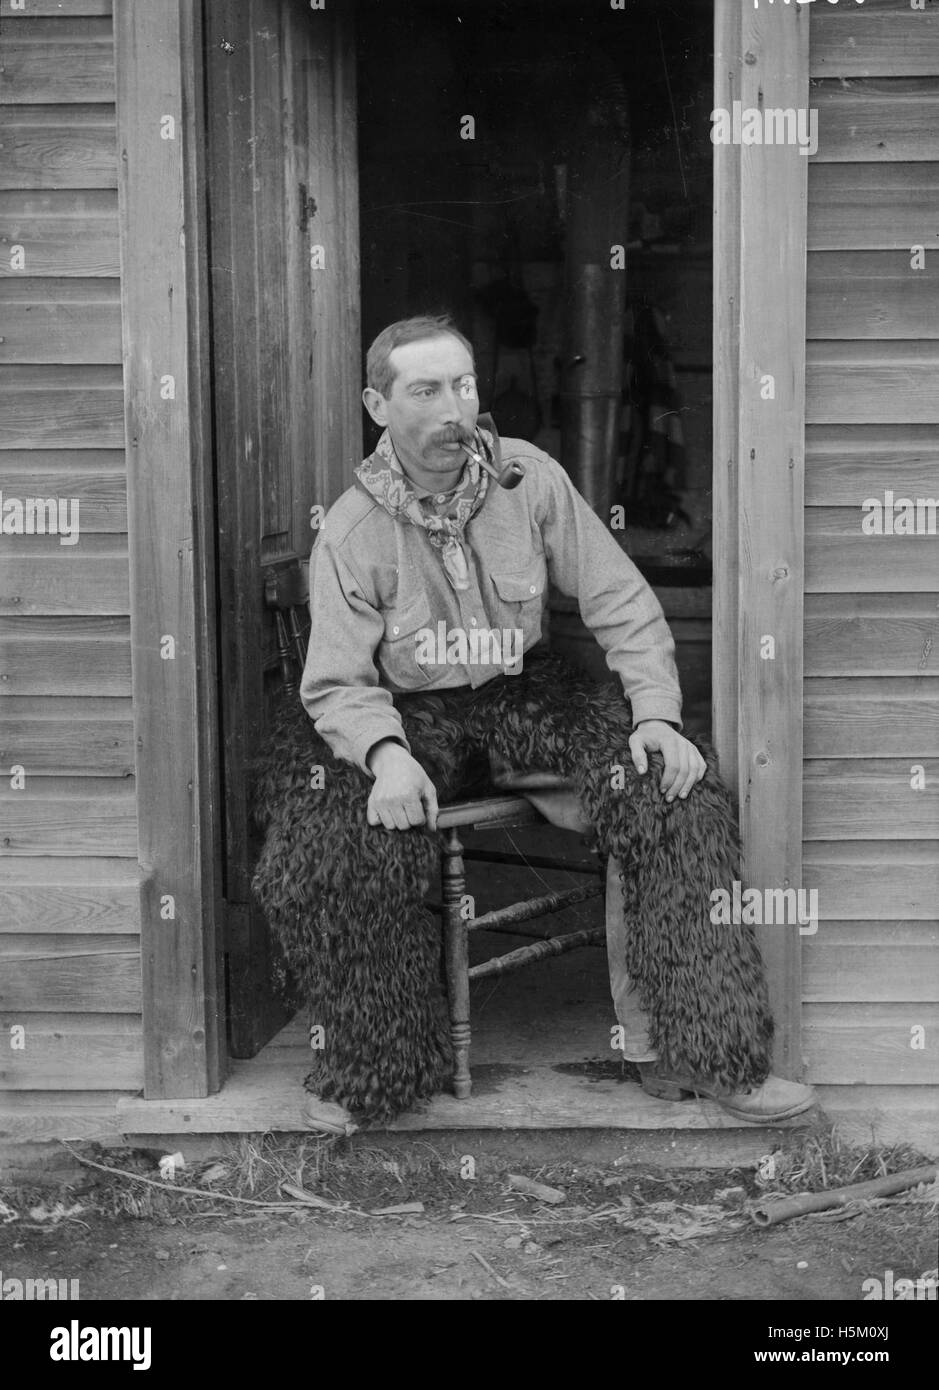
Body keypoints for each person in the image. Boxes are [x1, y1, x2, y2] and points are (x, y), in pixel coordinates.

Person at [292, 313, 814, 1124]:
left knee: (673, 790)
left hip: (519, 693)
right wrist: (385, 754)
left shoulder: (526, 478)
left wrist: (655, 716)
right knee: (328, 832)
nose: (450, 410)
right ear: (377, 404)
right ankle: (375, 1074)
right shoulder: (352, 531)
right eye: (424, 391)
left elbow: (619, 599)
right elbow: (334, 683)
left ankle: (698, 1055)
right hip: (411, 713)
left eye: (461, 386)